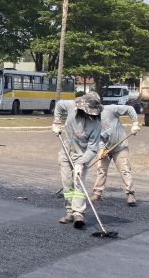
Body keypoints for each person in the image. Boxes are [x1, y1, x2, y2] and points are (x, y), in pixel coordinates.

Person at [52, 91, 103, 229]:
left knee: (78, 184)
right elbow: (58, 106)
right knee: (67, 184)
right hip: (65, 152)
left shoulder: (96, 124)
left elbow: (93, 148)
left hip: (81, 156)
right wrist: (57, 121)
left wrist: (82, 162)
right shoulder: (70, 106)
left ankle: (78, 213)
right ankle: (69, 213)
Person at [91, 104, 141, 206]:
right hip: (104, 147)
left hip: (120, 146)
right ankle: (97, 193)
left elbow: (129, 109)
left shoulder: (110, 109)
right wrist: (102, 149)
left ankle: (130, 194)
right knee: (101, 169)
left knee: (125, 170)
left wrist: (135, 123)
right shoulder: (90, 120)